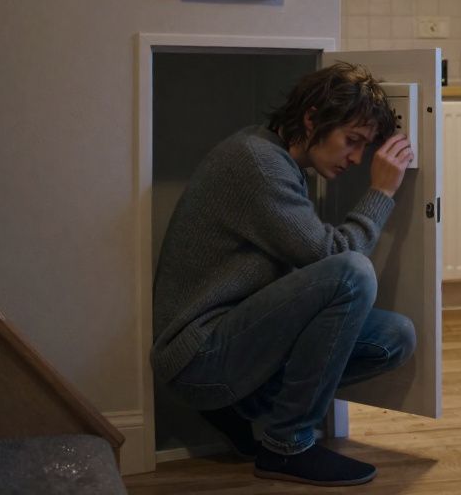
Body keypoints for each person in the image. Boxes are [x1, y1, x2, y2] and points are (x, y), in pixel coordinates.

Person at [151, 62, 417, 487]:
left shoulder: (274, 157)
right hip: (199, 357)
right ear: (312, 118)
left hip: (232, 342)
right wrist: (381, 192)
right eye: (352, 141)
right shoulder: (258, 164)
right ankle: (287, 447)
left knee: (394, 337)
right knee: (351, 272)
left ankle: (243, 409)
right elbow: (335, 254)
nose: (356, 158)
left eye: (364, 147)